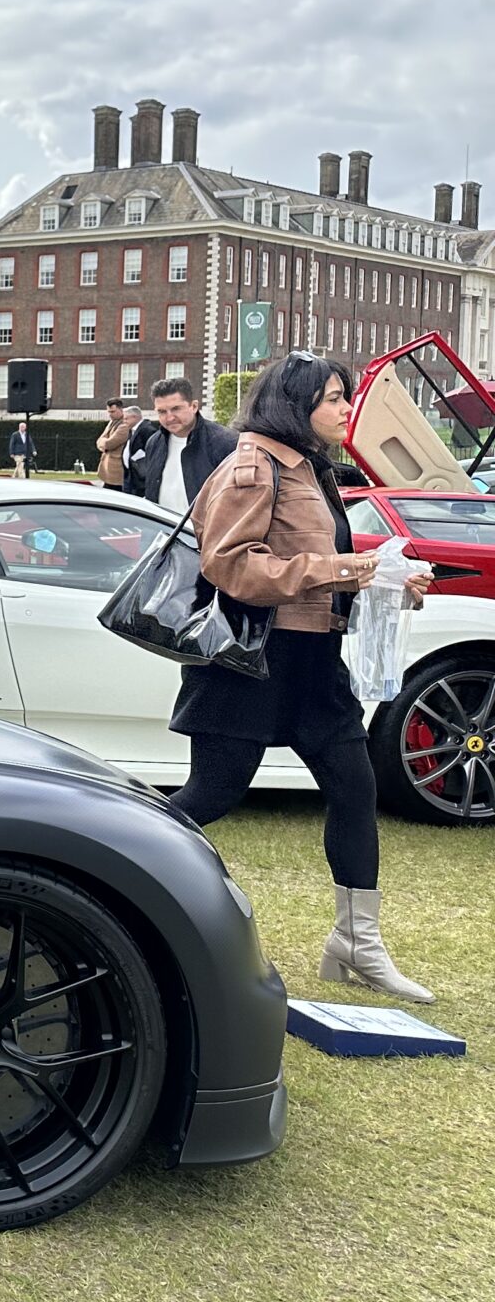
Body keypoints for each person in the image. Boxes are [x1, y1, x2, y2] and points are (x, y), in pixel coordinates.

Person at [172, 353, 437, 1002]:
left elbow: (316, 563)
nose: (347, 409)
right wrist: (336, 569)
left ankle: (356, 946)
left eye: (344, 397)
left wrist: (391, 579)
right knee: (210, 796)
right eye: (334, 398)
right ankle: (100, 876)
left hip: (314, 660)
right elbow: (230, 566)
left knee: (354, 789)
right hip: (249, 660)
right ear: (295, 406)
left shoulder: (310, 468)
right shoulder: (251, 464)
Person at [121, 375, 237, 515]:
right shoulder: (153, 443)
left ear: (194, 406)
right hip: (165, 530)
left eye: (176, 409)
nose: (169, 417)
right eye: (162, 411)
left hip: (208, 534)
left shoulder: (225, 442)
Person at [96, 399, 135, 490]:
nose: (110, 414)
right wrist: (103, 442)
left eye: (113, 411)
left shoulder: (125, 425)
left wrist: (103, 443)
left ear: (121, 410)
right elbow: (99, 440)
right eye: (109, 412)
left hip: (117, 471)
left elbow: (110, 443)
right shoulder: (112, 422)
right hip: (108, 469)